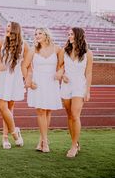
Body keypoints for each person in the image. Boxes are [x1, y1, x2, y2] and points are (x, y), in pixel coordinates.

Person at [23, 27, 62, 153]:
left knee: (48, 111)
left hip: (51, 83)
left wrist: (60, 73)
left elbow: (62, 65)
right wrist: (28, 81)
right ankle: (45, 141)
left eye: (40, 33)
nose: (37, 35)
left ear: (46, 34)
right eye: (35, 34)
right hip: (38, 83)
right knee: (40, 111)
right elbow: (24, 65)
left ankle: (41, 140)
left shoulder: (57, 48)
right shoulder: (33, 49)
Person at [0, 21, 29, 149]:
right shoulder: (0, 42)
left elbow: (28, 63)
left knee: (9, 108)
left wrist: (28, 78)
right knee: (2, 107)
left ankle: (5, 137)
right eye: (6, 26)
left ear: (15, 30)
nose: (6, 28)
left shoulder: (24, 45)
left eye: (9, 26)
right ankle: (14, 133)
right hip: (2, 78)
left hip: (15, 78)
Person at [60, 27, 93, 158]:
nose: (69, 36)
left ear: (78, 35)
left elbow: (89, 73)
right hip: (66, 85)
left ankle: (74, 146)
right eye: (68, 34)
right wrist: (62, 75)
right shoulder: (64, 51)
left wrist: (88, 91)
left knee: (75, 115)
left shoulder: (88, 53)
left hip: (79, 86)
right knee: (69, 115)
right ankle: (76, 142)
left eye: (71, 34)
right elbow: (59, 67)